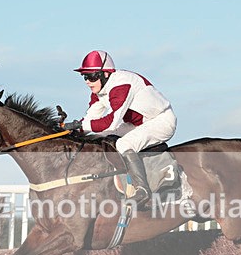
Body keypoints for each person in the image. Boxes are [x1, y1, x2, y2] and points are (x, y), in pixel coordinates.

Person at [68, 50, 177, 207]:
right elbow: (90, 120)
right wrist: (72, 130)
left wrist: (81, 126)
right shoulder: (98, 90)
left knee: (123, 144)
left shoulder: (121, 85)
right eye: (85, 76)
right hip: (138, 124)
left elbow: (111, 122)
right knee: (99, 138)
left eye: (92, 76)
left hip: (161, 121)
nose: (87, 81)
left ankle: (142, 189)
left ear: (105, 74)